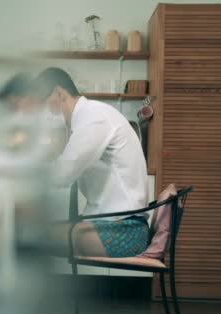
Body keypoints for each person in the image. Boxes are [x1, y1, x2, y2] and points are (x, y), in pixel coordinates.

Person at [30, 67, 149, 258]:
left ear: (58, 93)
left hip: (124, 230)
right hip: (114, 224)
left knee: (31, 237)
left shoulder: (93, 118)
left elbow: (62, 174)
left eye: (43, 105)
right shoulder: (87, 118)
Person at [0, 73, 66, 172]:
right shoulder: (34, 118)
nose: (16, 112)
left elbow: (37, 160)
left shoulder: (53, 120)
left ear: (31, 98)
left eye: (15, 105)